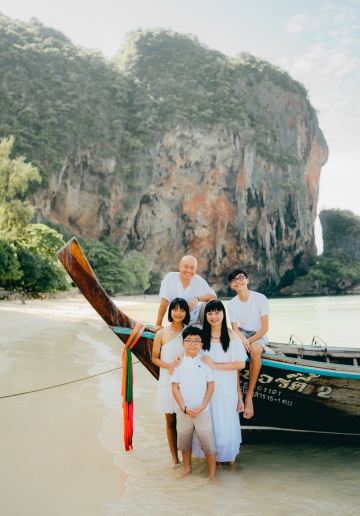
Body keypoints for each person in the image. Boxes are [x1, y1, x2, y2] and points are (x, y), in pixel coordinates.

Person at [193, 300, 247, 464]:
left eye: (217, 312)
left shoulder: (232, 336)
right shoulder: (201, 335)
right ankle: (212, 465)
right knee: (211, 430)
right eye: (210, 313)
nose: (213, 316)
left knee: (226, 430)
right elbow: (190, 355)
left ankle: (230, 465)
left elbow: (240, 364)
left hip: (226, 391)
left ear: (223, 314)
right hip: (206, 392)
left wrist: (215, 365)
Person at [171, 326, 216, 479]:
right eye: (189, 341)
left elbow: (211, 385)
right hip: (183, 410)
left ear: (202, 344)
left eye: (197, 341)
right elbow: (175, 387)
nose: (192, 344)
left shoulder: (204, 362)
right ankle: (187, 468)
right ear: (183, 343)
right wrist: (183, 408)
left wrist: (203, 405)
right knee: (184, 441)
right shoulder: (178, 363)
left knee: (208, 443)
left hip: (202, 410)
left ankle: (212, 475)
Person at [227, 268, 271, 419]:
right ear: (231, 286)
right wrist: (242, 339)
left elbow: (265, 328)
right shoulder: (232, 304)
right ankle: (238, 392)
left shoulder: (260, 298)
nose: (238, 281)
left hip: (259, 334)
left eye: (240, 278)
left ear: (247, 280)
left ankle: (249, 396)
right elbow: (234, 329)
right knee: (233, 348)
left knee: (255, 350)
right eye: (234, 280)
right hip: (241, 332)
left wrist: (248, 341)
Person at [152, 298, 190, 464]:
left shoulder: (189, 332)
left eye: (182, 310)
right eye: (175, 309)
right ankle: (175, 458)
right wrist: (167, 366)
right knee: (170, 421)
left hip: (187, 381)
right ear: (170, 312)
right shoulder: (161, 333)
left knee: (187, 421)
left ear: (186, 313)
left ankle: (188, 457)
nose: (178, 313)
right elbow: (154, 358)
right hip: (168, 380)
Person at [154, 255, 217, 331]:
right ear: (180, 266)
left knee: (212, 304)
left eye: (192, 268)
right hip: (179, 318)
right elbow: (164, 302)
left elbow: (214, 297)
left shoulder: (198, 280)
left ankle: (215, 332)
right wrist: (158, 324)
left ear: (195, 269)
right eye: (186, 267)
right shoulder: (170, 278)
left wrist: (197, 298)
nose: (189, 271)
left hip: (197, 318)